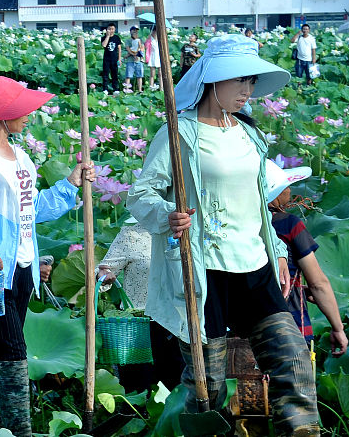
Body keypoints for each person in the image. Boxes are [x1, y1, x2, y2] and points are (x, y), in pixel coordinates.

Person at [126, 34, 317, 435]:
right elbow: (141, 194)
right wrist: (168, 214)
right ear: (213, 81)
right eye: (239, 82)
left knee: (292, 358)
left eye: (251, 83)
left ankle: (301, 431)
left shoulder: (249, 135)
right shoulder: (180, 133)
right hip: (204, 269)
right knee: (206, 384)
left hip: (254, 262)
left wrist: (278, 253)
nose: (247, 92)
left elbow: (258, 201)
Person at [0, 76, 94, 437]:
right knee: (14, 351)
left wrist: (69, 184)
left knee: (0, 348)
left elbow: (32, 210)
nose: (30, 115)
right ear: (2, 114)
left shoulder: (20, 156)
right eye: (23, 109)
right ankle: (20, 430)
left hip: (23, 265)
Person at [266, 161, 348, 355]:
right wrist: (338, 328)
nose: (289, 191)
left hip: (243, 329)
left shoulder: (238, 227)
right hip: (290, 328)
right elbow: (318, 284)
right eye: (285, 186)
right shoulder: (289, 225)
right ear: (274, 194)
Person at [97, 217, 183, 392]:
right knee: (137, 389)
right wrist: (103, 275)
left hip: (178, 324)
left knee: (179, 389)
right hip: (138, 327)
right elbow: (101, 270)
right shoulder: (130, 235)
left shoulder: (186, 233)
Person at [100, 24, 122, 93]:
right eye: (109, 29)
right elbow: (104, 45)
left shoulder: (117, 38)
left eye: (112, 29)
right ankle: (105, 89)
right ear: (107, 30)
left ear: (114, 29)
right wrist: (108, 36)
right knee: (105, 75)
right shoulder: (103, 37)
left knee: (114, 75)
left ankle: (115, 89)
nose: (111, 30)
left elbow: (119, 49)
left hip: (114, 59)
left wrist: (119, 59)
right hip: (106, 59)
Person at [125, 26, 144, 91]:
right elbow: (128, 49)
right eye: (134, 30)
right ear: (130, 31)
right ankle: (127, 90)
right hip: (130, 60)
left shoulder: (140, 40)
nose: (135, 31)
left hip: (138, 60)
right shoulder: (128, 40)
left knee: (139, 76)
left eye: (136, 30)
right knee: (128, 76)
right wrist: (134, 54)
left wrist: (138, 53)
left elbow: (141, 48)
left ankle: (140, 90)